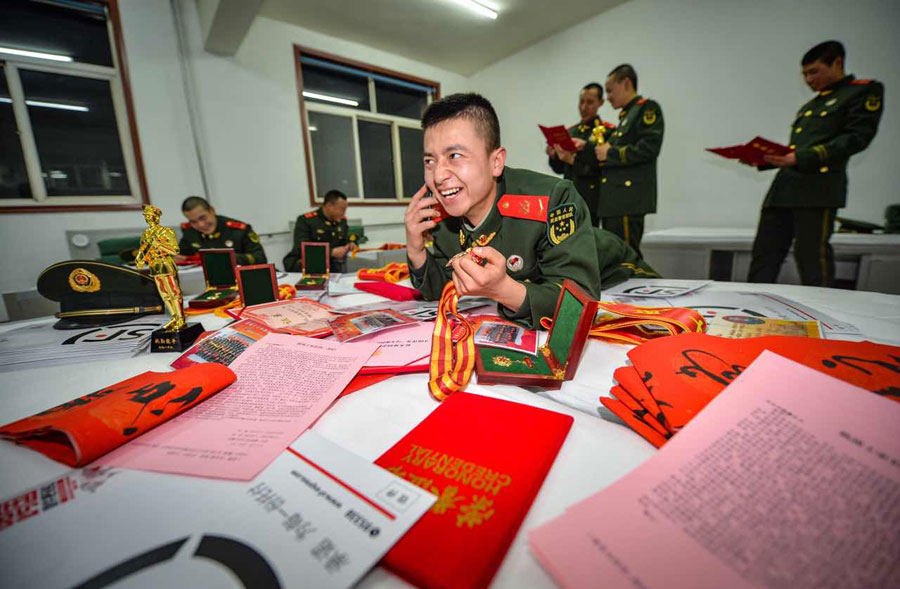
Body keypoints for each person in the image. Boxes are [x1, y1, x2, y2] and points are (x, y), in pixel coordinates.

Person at [406, 93, 658, 329]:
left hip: (624, 279)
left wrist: (502, 289)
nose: (438, 176)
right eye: (430, 161)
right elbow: (445, 287)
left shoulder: (553, 198)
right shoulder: (443, 213)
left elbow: (579, 304)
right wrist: (416, 249)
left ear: (496, 162)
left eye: (455, 155)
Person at [748, 41, 884, 286]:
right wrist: (764, 157)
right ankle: (750, 311)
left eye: (814, 72)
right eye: (804, 74)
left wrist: (799, 157)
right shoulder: (810, 106)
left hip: (817, 189)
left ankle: (821, 316)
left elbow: (855, 138)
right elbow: (796, 149)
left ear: (838, 63)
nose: (808, 80)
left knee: (812, 259)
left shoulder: (862, 92)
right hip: (784, 188)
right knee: (764, 255)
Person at [594, 64, 664, 256]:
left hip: (628, 199)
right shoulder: (627, 116)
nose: (607, 97)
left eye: (610, 90)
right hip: (615, 201)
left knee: (626, 256)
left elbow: (649, 147)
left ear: (626, 83)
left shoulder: (646, 109)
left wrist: (611, 154)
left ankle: (640, 287)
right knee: (616, 256)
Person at [547, 83, 616, 227]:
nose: (584, 107)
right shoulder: (571, 131)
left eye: (590, 102)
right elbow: (561, 169)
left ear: (601, 103)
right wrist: (554, 155)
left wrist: (573, 161)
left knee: (592, 241)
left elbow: (602, 168)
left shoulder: (607, 131)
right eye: (581, 102)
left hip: (594, 198)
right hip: (570, 196)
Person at [176, 196, 267, 266]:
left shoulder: (238, 230)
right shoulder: (190, 232)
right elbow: (180, 256)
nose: (201, 225)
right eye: (193, 222)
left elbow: (260, 258)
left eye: (203, 218)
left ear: (212, 211)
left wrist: (228, 258)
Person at [283, 189, 359, 273]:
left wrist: (352, 243)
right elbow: (302, 248)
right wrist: (331, 252)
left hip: (334, 266)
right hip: (310, 266)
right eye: (342, 209)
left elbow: (349, 236)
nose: (344, 213)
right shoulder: (306, 220)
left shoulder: (342, 220)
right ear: (329, 206)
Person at [136, 204, 185, 332]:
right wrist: (139, 259)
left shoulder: (166, 232)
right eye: (146, 216)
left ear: (156, 217)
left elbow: (175, 250)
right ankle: (174, 317)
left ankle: (181, 318)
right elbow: (143, 249)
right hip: (154, 266)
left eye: (150, 216)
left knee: (174, 292)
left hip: (165, 264)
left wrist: (160, 245)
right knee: (164, 294)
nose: (148, 219)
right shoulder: (146, 233)